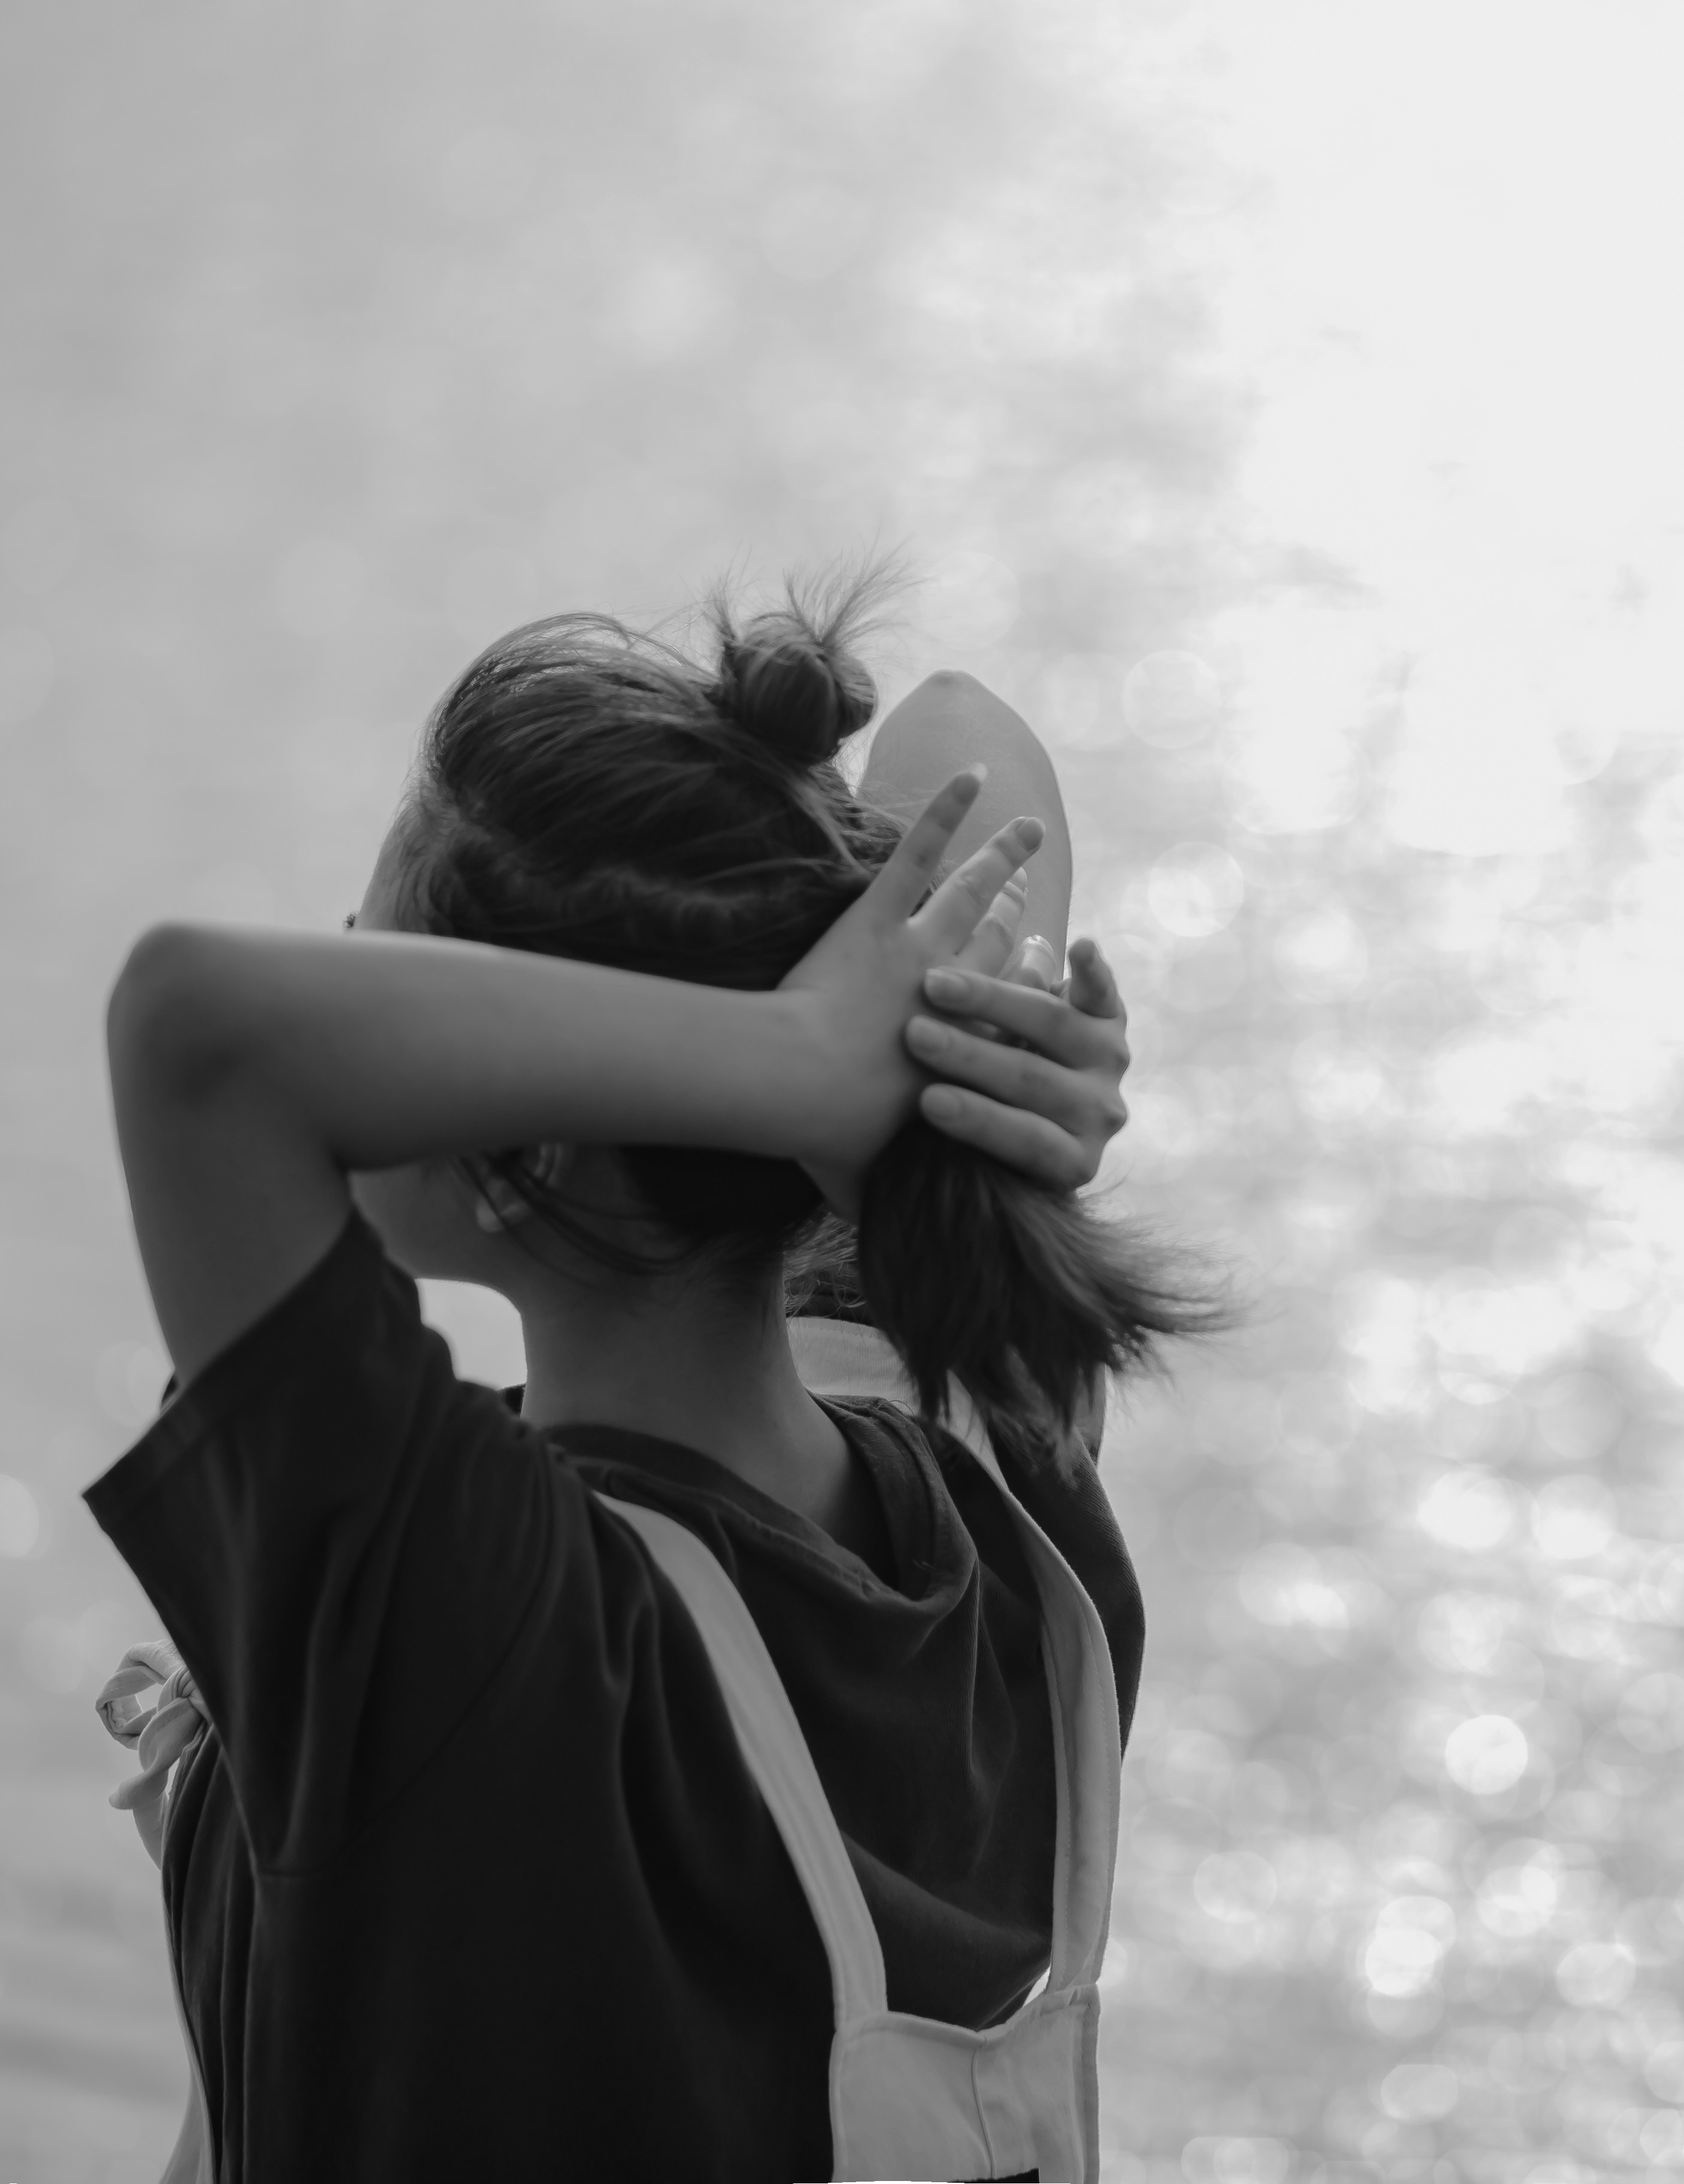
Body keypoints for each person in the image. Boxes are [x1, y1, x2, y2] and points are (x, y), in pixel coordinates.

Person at [83, 578, 1212, 2180]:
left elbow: (194, 1030)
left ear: (521, 1128)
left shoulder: (484, 1629)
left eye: (388, 959)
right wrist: (923, 1048)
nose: (349, 977)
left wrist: (800, 1062)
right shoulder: (993, 1495)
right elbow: (964, 728)